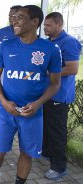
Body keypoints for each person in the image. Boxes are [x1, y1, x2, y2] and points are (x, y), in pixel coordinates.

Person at [0, 5, 62, 184]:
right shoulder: (5, 47)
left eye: (20, 17)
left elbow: (55, 84)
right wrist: (4, 102)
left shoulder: (50, 50)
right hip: (5, 111)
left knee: (27, 154)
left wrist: (38, 103)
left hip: (33, 113)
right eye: (14, 17)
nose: (14, 20)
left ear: (35, 22)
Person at [42, 12, 82, 180]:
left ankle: (59, 168)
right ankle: (49, 156)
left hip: (59, 97)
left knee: (57, 132)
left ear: (59, 25)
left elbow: (73, 69)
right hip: (47, 95)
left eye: (48, 25)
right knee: (47, 130)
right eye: (44, 25)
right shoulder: (49, 42)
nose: (45, 28)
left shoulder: (68, 42)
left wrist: (46, 72)